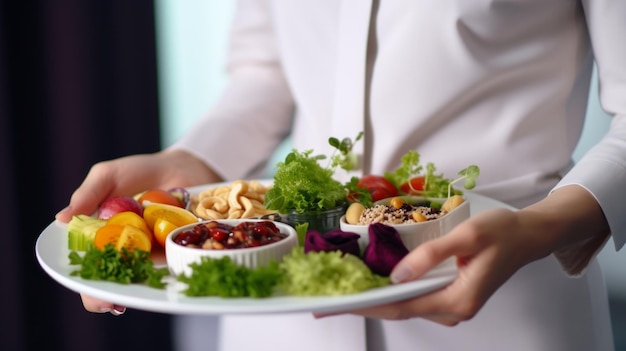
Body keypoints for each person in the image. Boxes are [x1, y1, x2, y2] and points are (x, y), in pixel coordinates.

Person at [55, 0, 625, 350]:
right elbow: (265, 72)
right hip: (284, 314)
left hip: (504, 296)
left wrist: (548, 226)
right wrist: (191, 164)